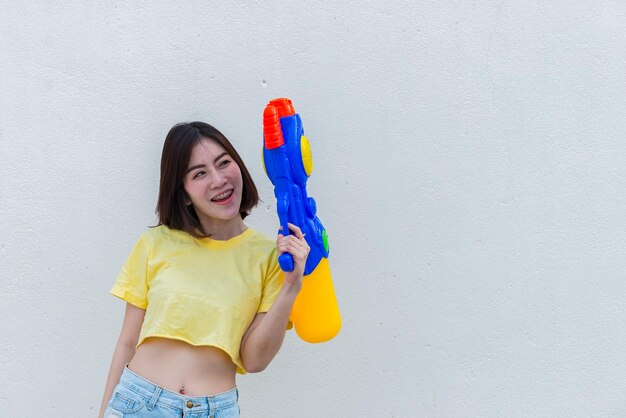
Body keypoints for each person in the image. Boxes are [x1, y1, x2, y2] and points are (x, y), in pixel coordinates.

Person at [99, 122, 309, 418]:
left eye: (224, 163)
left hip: (215, 410)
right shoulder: (155, 242)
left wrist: (291, 286)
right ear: (183, 193)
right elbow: (126, 342)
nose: (218, 179)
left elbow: (254, 361)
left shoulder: (272, 256)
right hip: (139, 403)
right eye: (199, 173)